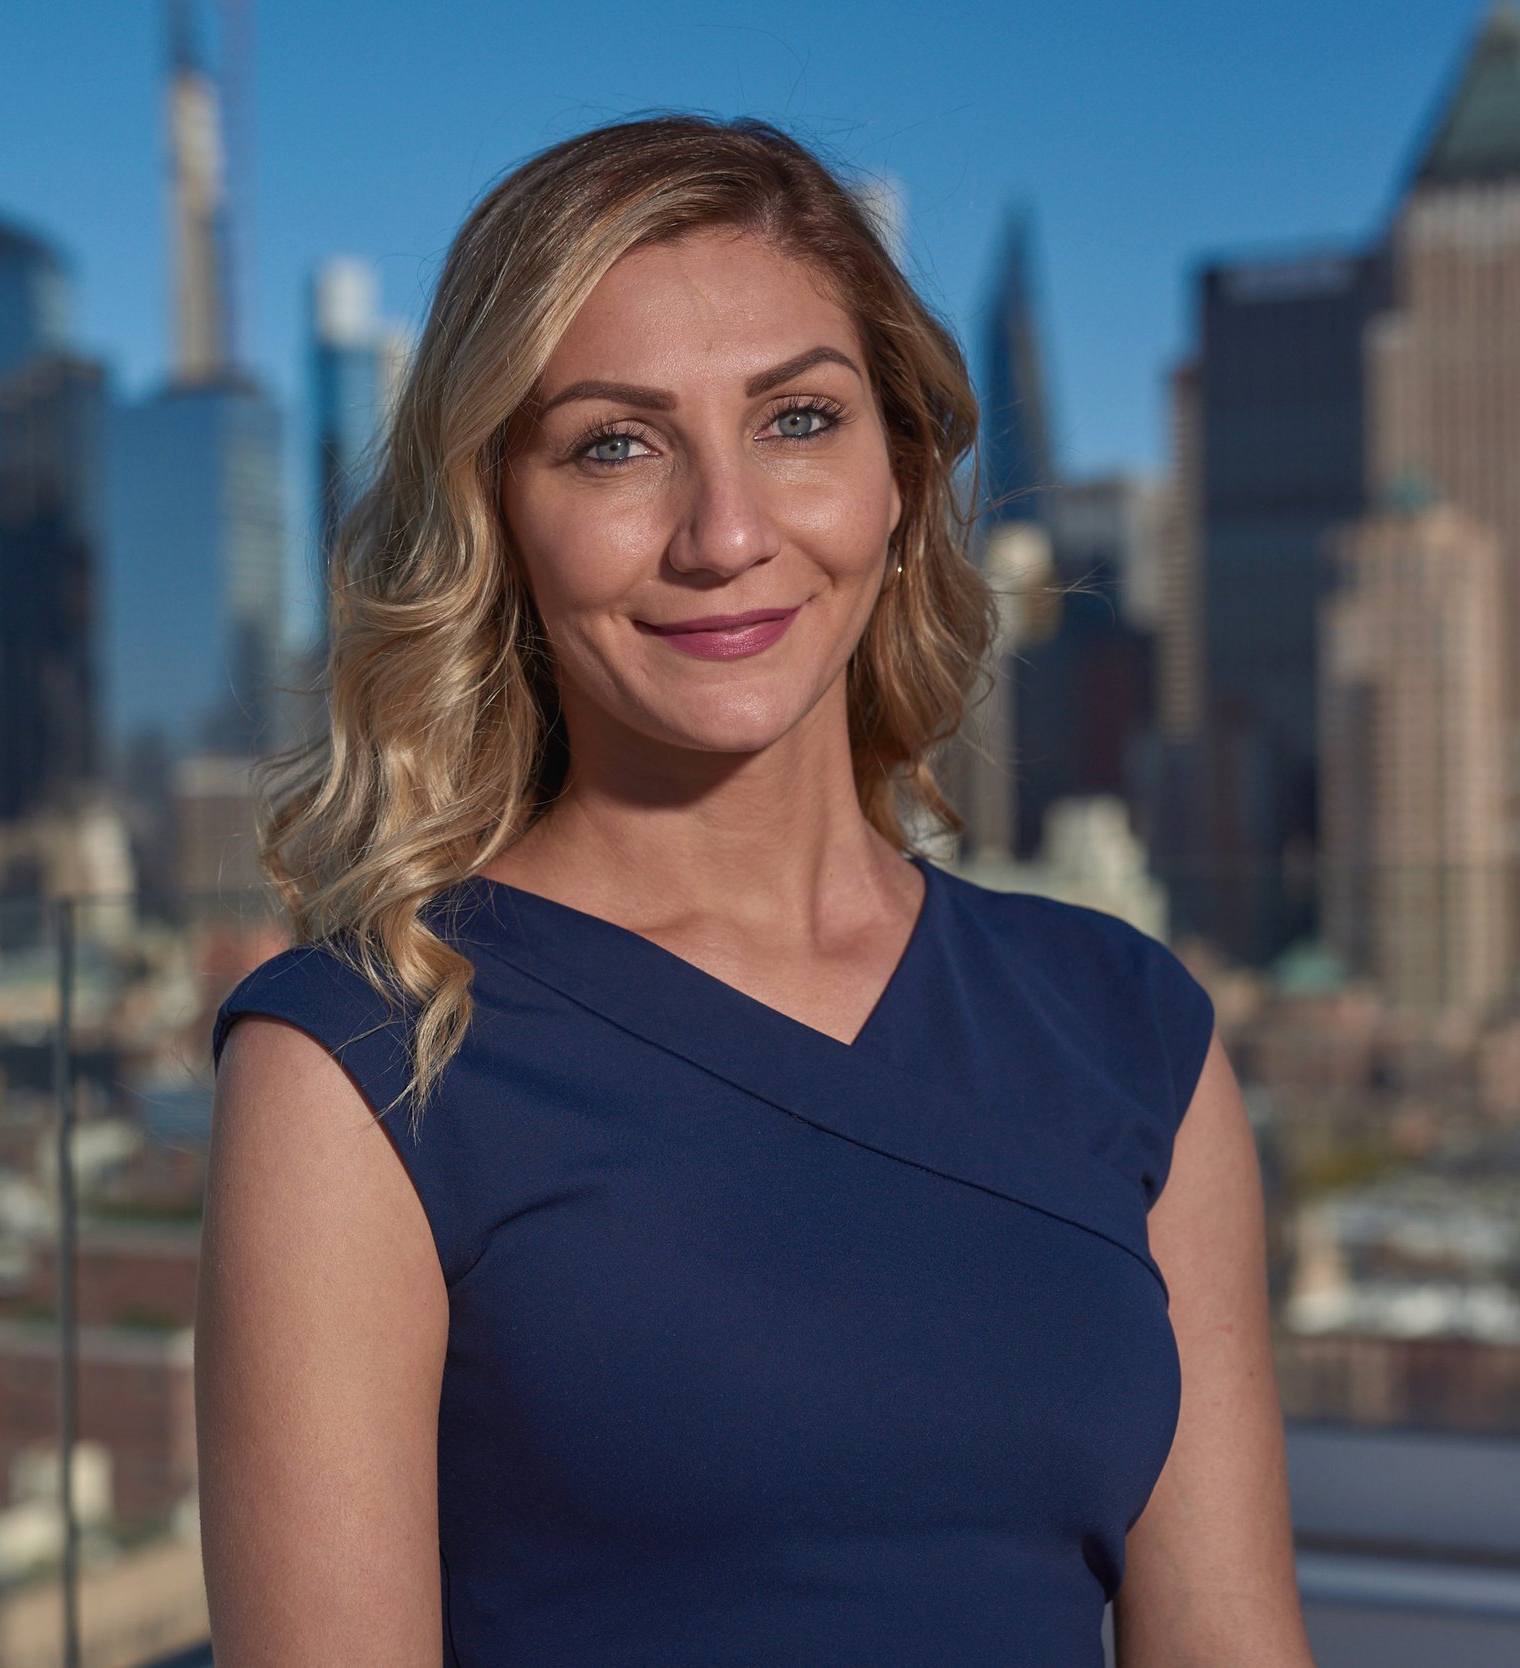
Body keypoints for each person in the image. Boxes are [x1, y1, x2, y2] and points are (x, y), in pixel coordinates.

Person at [197, 115, 1312, 1666]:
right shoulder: (359, 1062)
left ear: (903, 479)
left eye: (798, 420)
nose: (727, 533)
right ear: (498, 516)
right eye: (615, 443)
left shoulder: (1129, 1029)